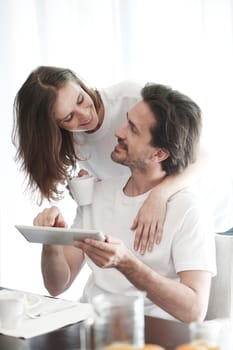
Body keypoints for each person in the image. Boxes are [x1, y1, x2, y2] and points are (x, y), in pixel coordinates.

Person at [34, 83, 216, 322]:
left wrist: (127, 263)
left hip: (152, 333)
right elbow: (57, 286)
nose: (118, 132)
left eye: (132, 129)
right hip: (92, 324)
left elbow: (194, 311)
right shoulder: (96, 194)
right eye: (126, 120)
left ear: (159, 154)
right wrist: (51, 243)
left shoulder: (188, 210)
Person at [12, 66, 210, 255]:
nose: (85, 115)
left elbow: (201, 155)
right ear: (53, 127)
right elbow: (126, 183)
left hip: (204, 209)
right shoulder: (73, 140)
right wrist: (94, 189)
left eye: (80, 99)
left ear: (81, 84)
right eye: (69, 117)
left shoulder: (132, 97)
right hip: (156, 229)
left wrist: (158, 196)